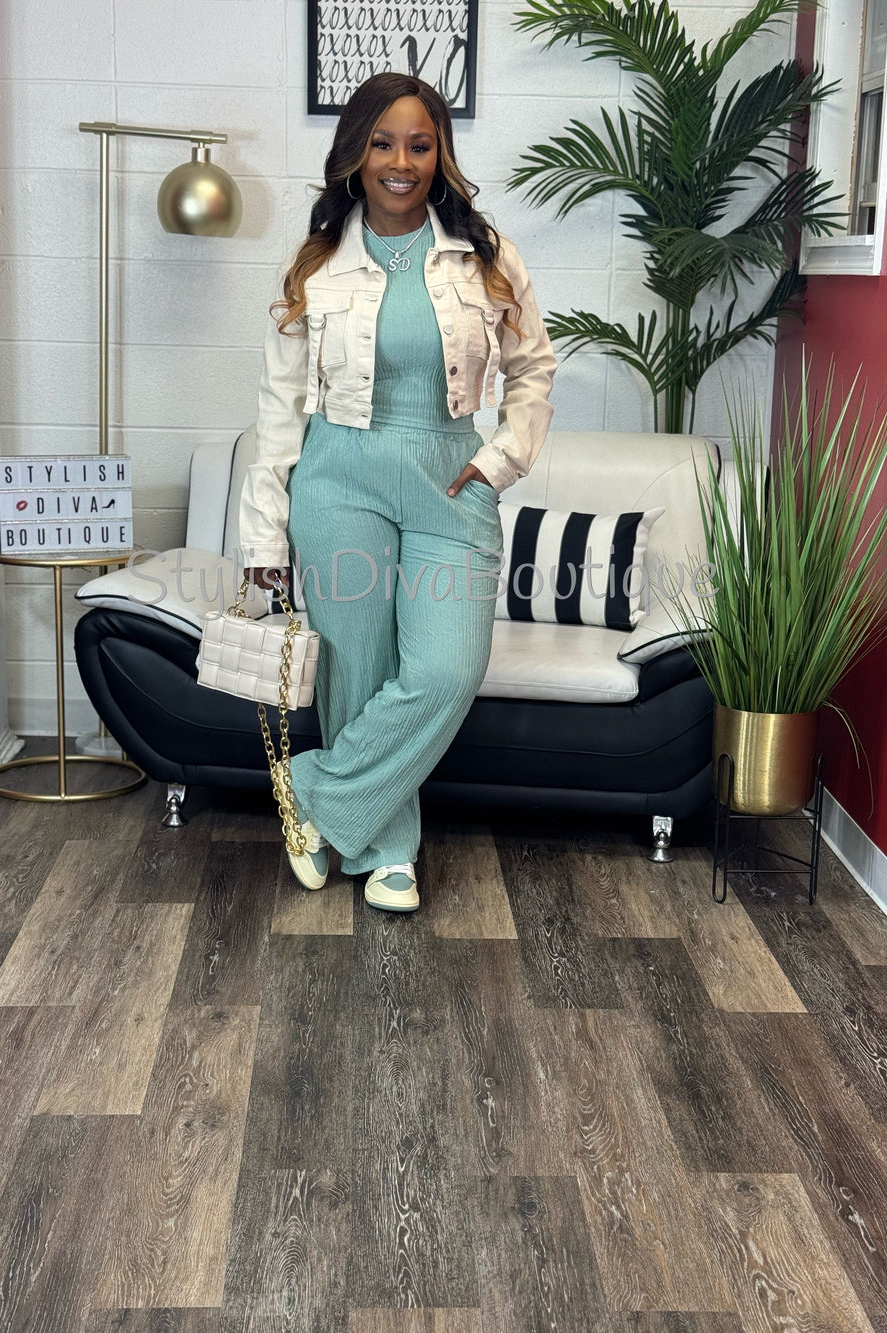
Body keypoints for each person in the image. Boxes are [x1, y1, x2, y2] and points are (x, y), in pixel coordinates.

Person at [239, 72, 556, 913]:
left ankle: (313, 792)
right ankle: (388, 851)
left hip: (450, 483)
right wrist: (265, 536)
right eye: (383, 143)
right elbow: (278, 410)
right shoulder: (315, 263)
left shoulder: (486, 256)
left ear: (440, 154)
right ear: (355, 152)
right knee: (359, 671)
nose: (401, 162)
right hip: (338, 479)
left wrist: (500, 461)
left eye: (419, 144)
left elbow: (533, 368)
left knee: (447, 669)